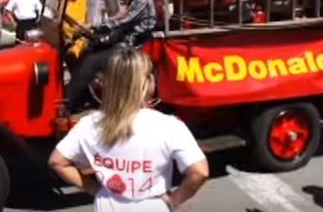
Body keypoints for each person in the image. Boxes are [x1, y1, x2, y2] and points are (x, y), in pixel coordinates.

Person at [49, 49, 209, 212]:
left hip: (108, 204)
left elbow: (57, 162)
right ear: (146, 83)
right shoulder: (169, 126)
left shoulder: (89, 124)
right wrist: (175, 200)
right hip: (152, 205)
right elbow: (199, 172)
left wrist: (93, 188)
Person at [66, 0, 157, 113]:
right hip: (122, 43)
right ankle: (84, 97)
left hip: (129, 49)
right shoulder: (136, 1)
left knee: (90, 62)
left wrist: (96, 27)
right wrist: (94, 31)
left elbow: (124, 20)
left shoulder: (143, 1)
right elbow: (119, 19)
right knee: (89, 50)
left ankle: (69, 103)